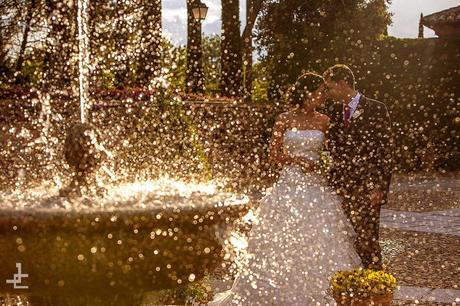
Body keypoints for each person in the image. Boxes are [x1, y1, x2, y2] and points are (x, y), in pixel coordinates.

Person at [229, 72, 361, 305]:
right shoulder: (284, 119)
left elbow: (332, 152)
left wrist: (324, 163)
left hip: (316, 187)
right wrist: (297, 160)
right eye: (320, 91)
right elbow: (273, 154)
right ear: (306, 93)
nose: (324, 96)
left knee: (321, 238)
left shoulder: (324, 121)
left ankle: (321, 293)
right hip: (289, 185)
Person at [323, 64, 393, 270]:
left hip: (367, 187)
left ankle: (374, 288)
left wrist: (379, 186)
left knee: (368, 240)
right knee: (345, 239)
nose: (328, 93)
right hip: (340, 187)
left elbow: (385, 151)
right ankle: (350, 286)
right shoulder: (332, 112)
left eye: (330, 87)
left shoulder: (376, 108)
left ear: (343, 83)